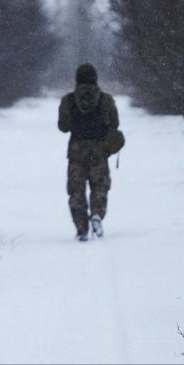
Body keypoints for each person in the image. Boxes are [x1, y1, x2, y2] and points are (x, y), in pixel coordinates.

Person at [57, 63, 120, 241]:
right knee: (100, 187)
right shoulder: (106, 100)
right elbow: (115, 124)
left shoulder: (68, 100)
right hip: (99, 151)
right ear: (95, 78)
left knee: (76, 191)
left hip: (76, 152)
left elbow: (63, 127)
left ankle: (81, 228)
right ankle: (97, 214)